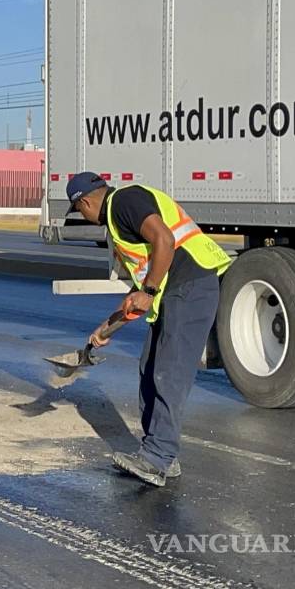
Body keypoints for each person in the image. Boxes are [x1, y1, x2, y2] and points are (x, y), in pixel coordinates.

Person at [66, 171, 231, 487]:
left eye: (80, 212)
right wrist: (106, 329)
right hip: (175, 291)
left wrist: (151, 291)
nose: (84, 218)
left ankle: (157, 458)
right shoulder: (119, 221)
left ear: (85, 202)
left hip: (192, 286)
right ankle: (160, 454)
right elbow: (138, 291)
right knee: (150, 368)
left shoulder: (124, 202)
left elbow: (165, 241)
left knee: (169, 372)